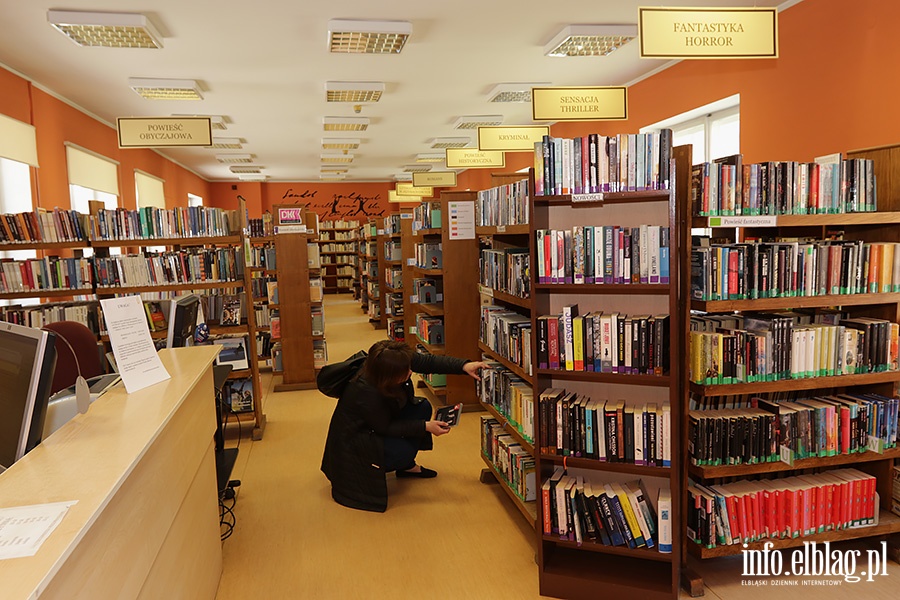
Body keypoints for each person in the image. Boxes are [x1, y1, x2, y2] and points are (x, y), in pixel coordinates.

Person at [321, 340, 487, 512]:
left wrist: (464, 365)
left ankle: (407, 467)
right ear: (388, 375)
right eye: (405, 371)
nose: (410, 372)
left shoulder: (392, 361)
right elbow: (385, 428)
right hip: (358, 443)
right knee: (402, 450)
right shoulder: (365, 391)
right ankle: (402, 461)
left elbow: (428, 362)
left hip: (379, 422)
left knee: (422, 406)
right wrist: (425, 427)